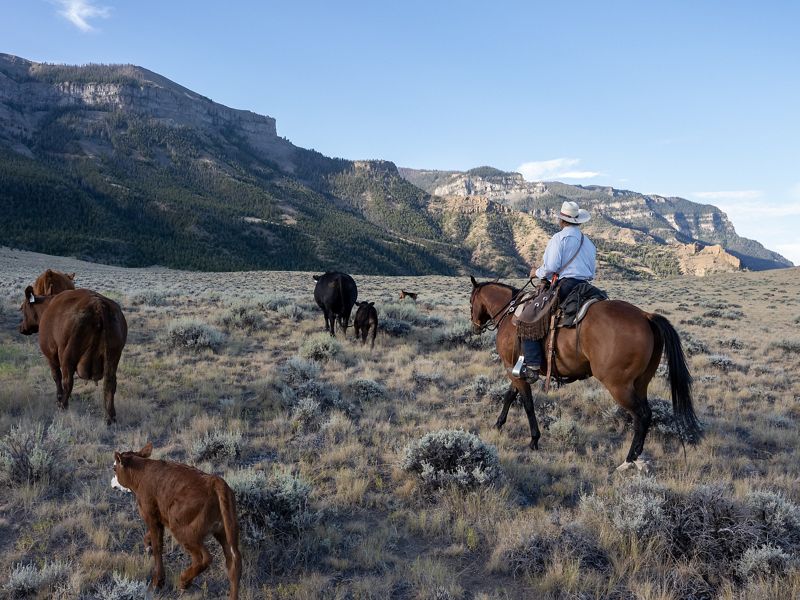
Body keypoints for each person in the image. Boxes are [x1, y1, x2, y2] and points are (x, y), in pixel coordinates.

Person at [512, 200, 597, 383]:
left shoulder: (559, 238)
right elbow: (592, 271)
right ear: (578, 221)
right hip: (587, 287)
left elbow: (551, 267)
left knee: (527, 317)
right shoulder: (589, 243)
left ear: (561, 221)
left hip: (565, 286)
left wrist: (537, 272)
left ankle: (533, 365)